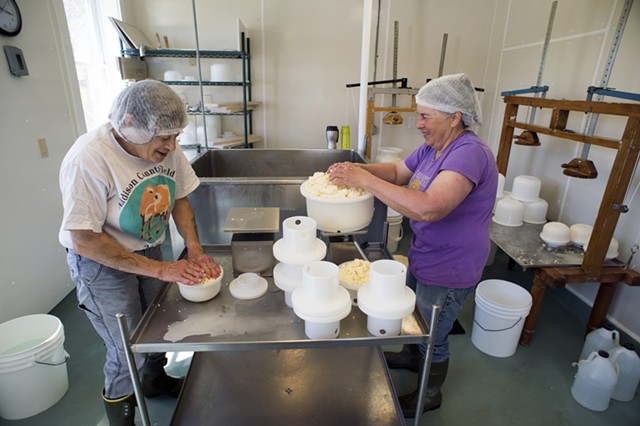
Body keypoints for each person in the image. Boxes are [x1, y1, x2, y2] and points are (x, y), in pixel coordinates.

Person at [327, 73, 497, 417]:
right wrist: (355, 169)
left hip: (452, 264)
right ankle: (408, 354)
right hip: (426, 253)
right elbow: (397, 171)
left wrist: (364, 181)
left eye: (425, 116)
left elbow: (430, 206)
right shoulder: (434, 147)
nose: (417, 124)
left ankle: (430, 393)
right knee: (415, 314)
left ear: (455, 117)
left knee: (435, 333)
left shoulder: (469, 153)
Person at [58, 80, 221, 425]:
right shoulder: (89, 157)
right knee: (125, 345)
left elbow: (178, 198)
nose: (172, 146)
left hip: (150, 246)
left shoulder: (167, 148)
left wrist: (193, 249)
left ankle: (154, 380)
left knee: (157, 323)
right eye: (164, 138)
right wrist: (162, 271)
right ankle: (123, 419)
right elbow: (84, 239)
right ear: (129, 123)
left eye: (176, 136)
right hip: (101, 264)